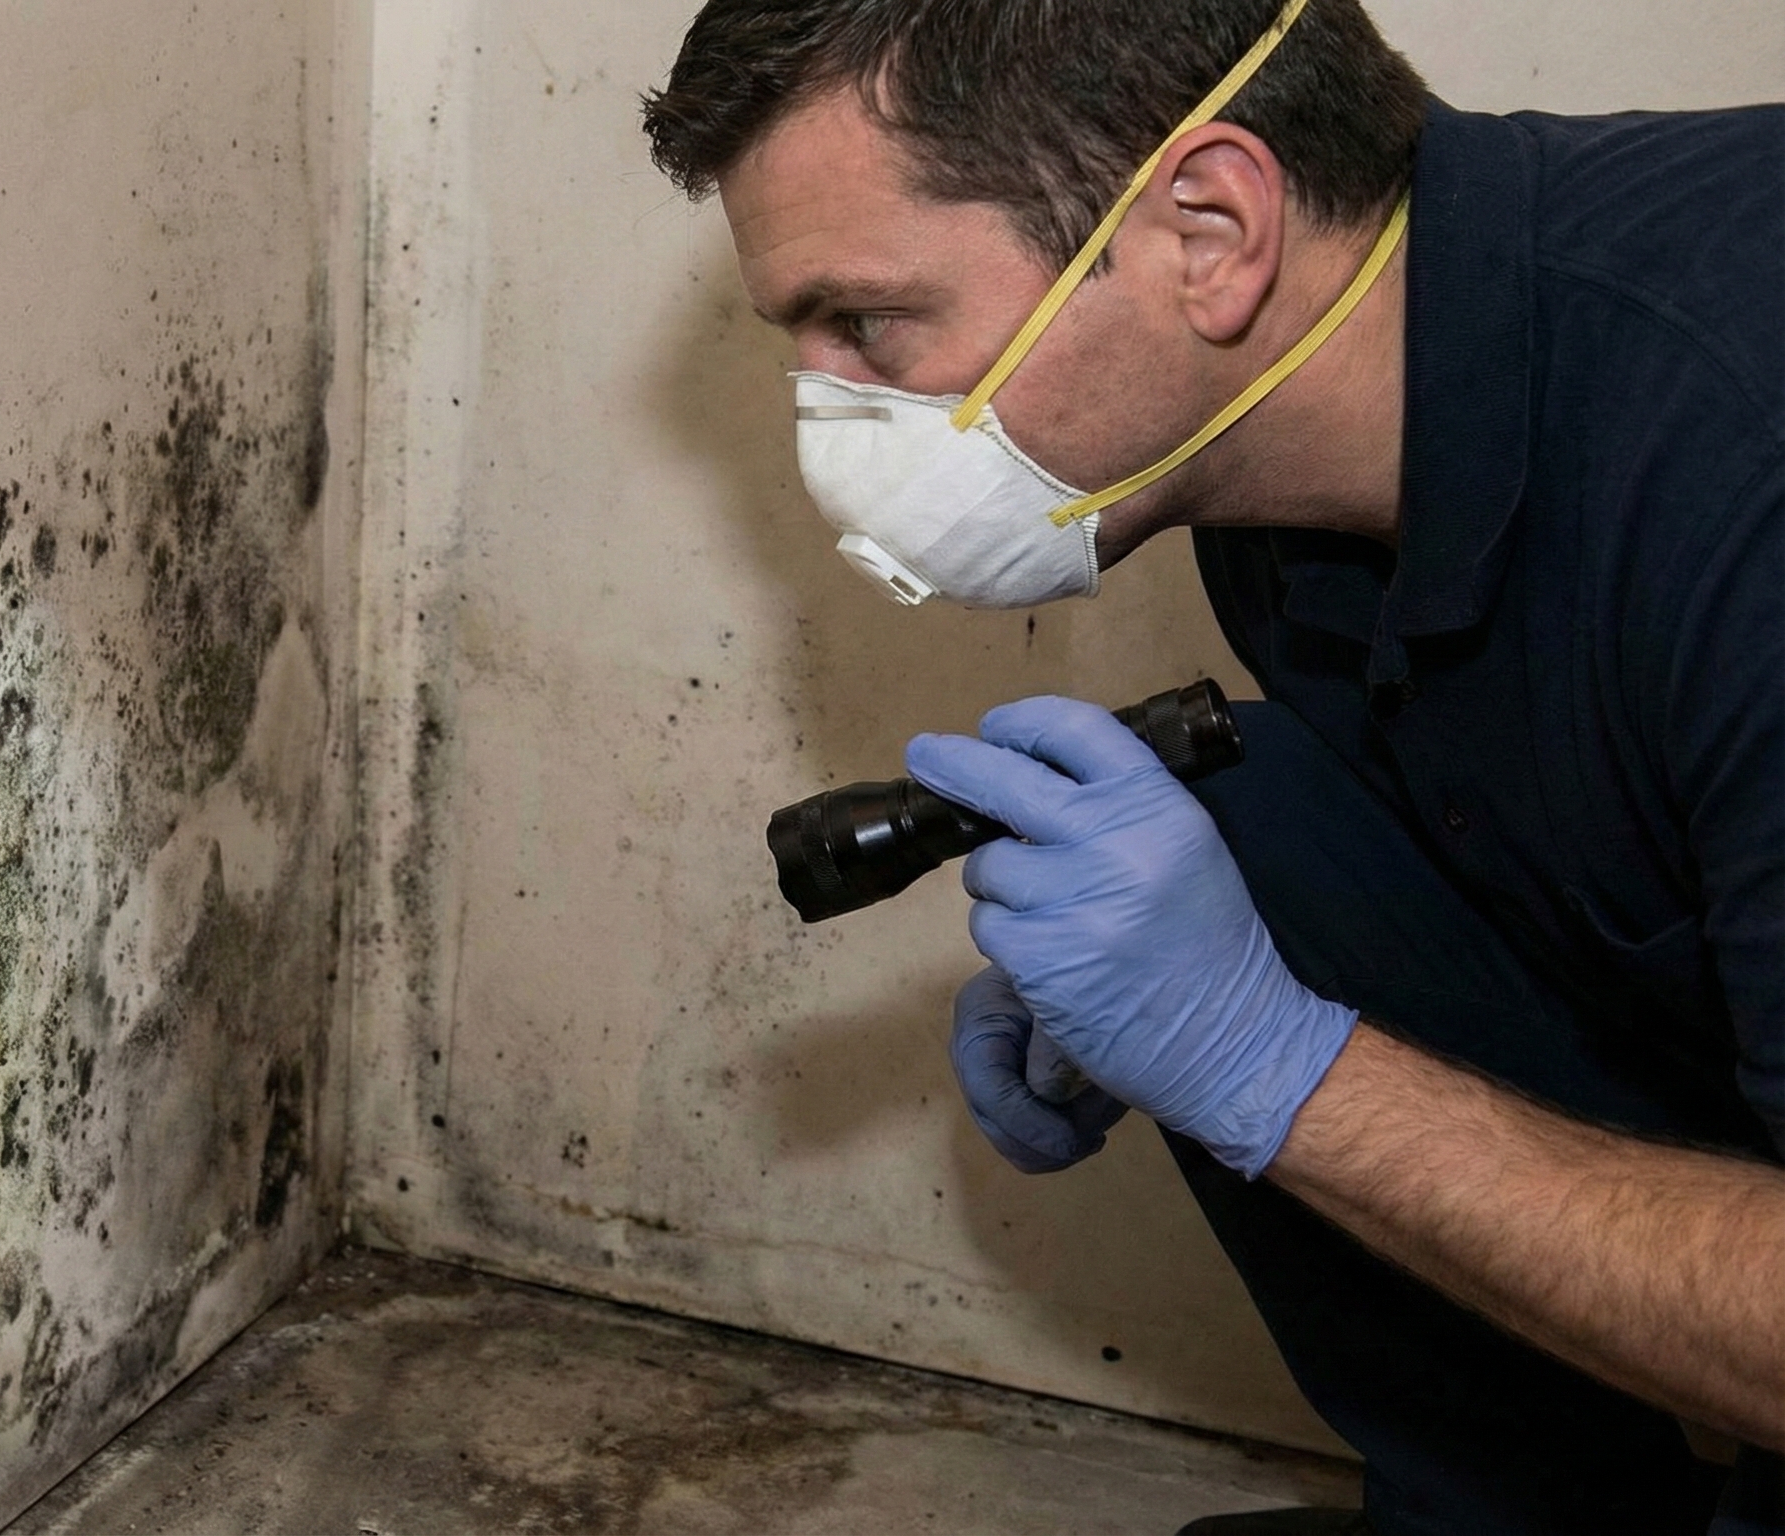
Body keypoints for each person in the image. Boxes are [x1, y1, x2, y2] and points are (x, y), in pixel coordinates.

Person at [641, 2, 1785, 1532]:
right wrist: (1178, 975)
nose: (835, 422)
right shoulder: (1279, 456)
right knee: (1218, 824)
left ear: (1210, 229)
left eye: (866, 324)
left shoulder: (1739, 467)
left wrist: (1274, 1070)